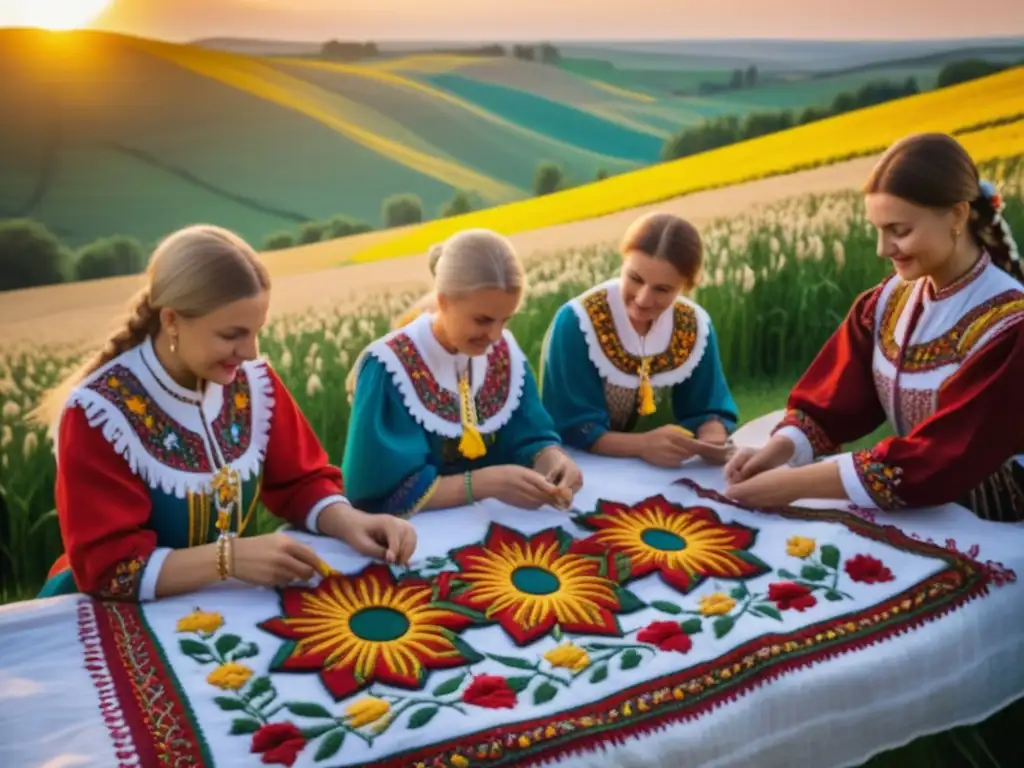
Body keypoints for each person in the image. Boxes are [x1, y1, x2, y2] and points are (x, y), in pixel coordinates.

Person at [31, 225, 417, 603]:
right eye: (232, 335)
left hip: (223, 599)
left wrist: (352, 522)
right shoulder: (100, 414)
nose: (250, 352)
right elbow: (110, 569)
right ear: (171, 321)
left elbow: (301, 482)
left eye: (256, 332)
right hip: (119, 611)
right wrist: (227, 558)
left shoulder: (253, 383)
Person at [724, 132, 1024, 522]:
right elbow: (833, 400)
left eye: (899, 231)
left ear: (957, 215)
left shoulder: (1008, 325)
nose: (883, 249)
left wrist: (792, 485)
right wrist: (779, 450)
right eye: (878, 230)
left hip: (1000, 514)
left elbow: (945, 454)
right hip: (920, 500)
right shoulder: (888, 302)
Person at [343, 228, 584, 516]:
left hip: (495, 520)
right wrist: (483, 484)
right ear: (443, 300)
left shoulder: (502, 352)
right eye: (482, 320)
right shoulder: (389, 368)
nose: (495, 335)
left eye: (505, 320)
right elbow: (379, 492)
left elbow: (530, 433)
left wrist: (553, 459)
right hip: (417, 534)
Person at [539, 211, 738, 468]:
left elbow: (707, 406)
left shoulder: (694, 326)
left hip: (663, 469)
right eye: (635, 278)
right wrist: (643, 445)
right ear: (623, 262)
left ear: (686, 286)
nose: (643, 299)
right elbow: (574, 425)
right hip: (582, 466)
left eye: (663, 289)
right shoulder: (578, 322)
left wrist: (712, 439)